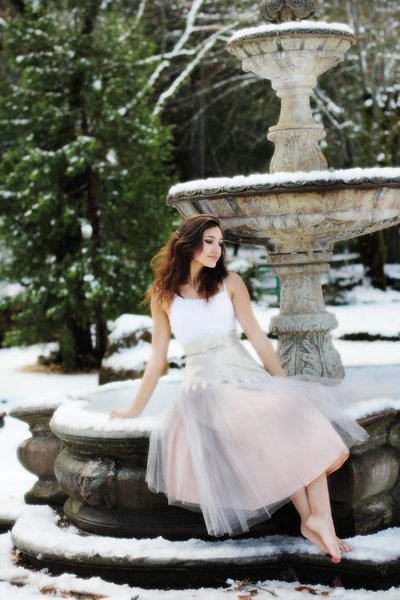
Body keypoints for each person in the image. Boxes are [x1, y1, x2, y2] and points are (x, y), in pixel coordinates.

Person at [110, 214, 368, 563]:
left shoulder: (231, 283)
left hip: (246, 374)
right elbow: (157, 361)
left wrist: (283, 382)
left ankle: (317, 517)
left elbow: (258, 337)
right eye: (209, 241)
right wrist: (133, 410)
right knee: (266, 423)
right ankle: (313, 519)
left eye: (220, 242)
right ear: (188, 243)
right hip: (206, 386)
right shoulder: (163, 297)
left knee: (295, 412)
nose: (217, 249)